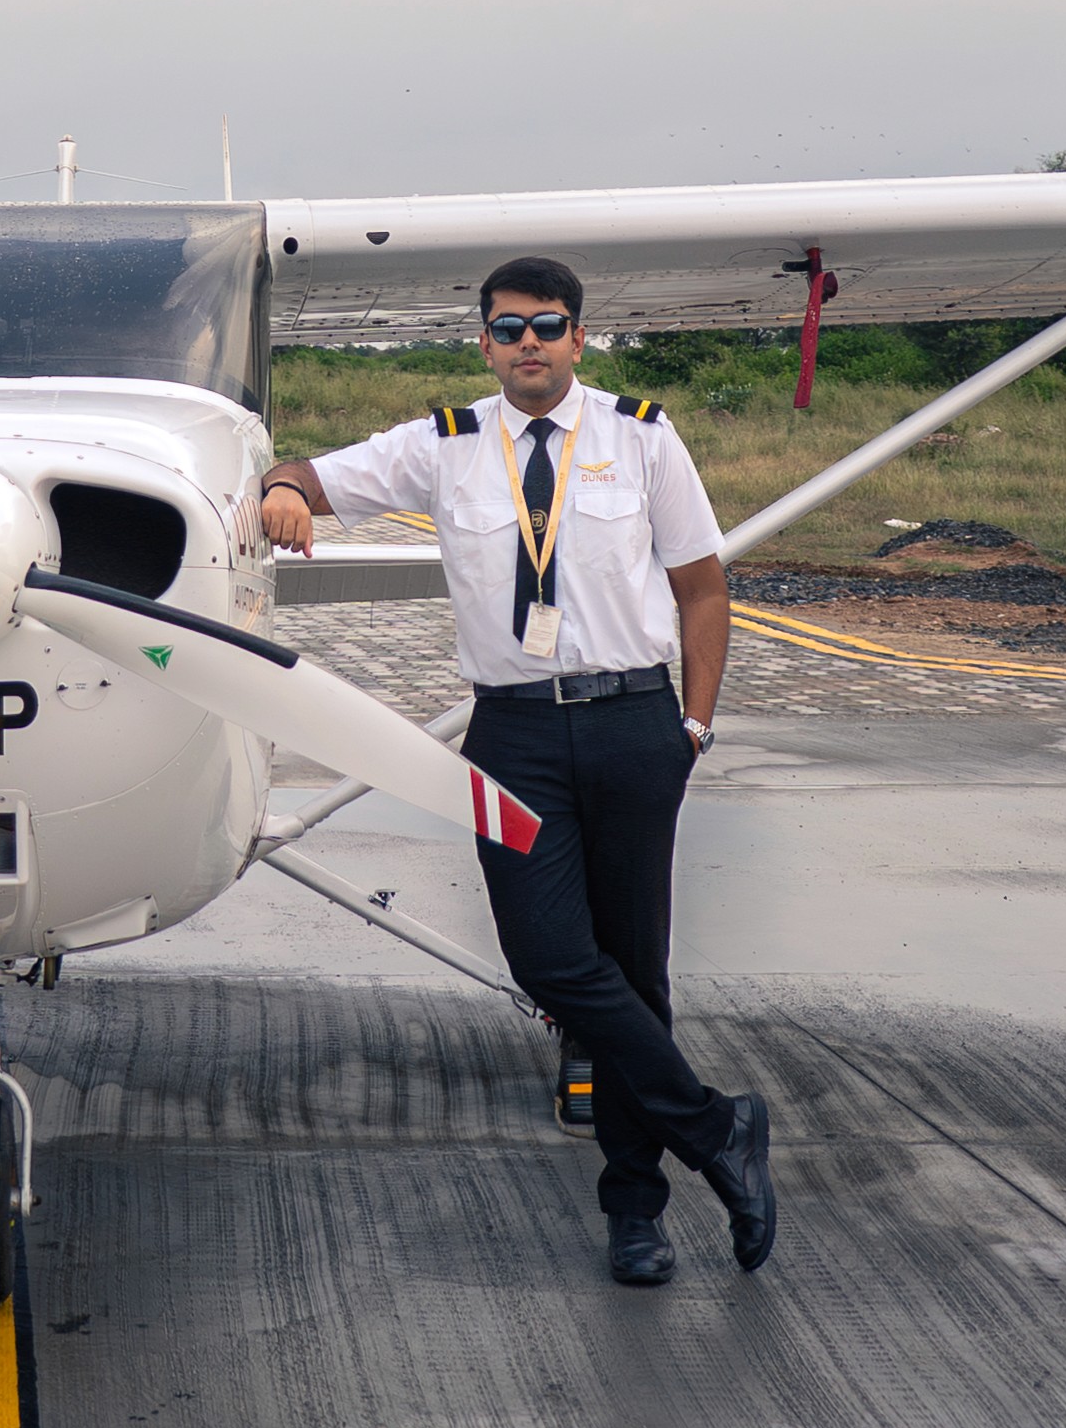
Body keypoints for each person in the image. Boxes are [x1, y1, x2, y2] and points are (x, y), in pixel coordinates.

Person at [256, 256, 775, 1287]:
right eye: (508, 329)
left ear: (579, 338)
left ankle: (637, 1210)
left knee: (635, 972)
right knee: (547, 960)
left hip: (634, 725)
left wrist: (696, 729)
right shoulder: (442, 446)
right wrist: (281, 490)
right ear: (484, 344)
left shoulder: (643, 436)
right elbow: (314, 474)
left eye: (548, 325)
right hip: (516, 736)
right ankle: (719, 1127)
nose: (528, 343)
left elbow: (704, 590)